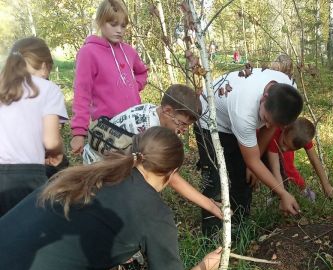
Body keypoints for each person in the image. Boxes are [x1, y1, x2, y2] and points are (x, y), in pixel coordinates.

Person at [0, 127, 222, 270]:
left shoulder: (87, 175)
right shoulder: (153, 212)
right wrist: (205, 267)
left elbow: (74, 249)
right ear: (172, 172)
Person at [84, 84, 222, 219]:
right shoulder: (149, 129)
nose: (183, 130)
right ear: (167, 111)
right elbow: (170, 176)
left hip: (107, 158)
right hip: (100, 168)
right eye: (182, 124)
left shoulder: (154, 110)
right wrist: (209, 205)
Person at [195, 68, 303, 236]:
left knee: (244, 177)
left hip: (236, 118)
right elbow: (252, 160)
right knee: (215, 180)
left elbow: (270, 127)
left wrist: (253, 164)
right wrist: (282, 192)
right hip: (210, 120)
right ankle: (212, 236)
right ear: (263, 98)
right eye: (265, 119)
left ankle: (239, 227)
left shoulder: (289, 90)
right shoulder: (244, 110)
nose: (266, 125)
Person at [0, 37, 68, 216]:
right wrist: (58, 155)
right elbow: (51, 141)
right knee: (27, 236)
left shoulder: (2, 88)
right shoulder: (48, 89)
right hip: (27, 176)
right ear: (45, 65)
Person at [70, 0, 148, 156]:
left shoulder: (129, 51)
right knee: (112, 173)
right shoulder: (89, 52)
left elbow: (142, 72)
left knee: (135, 167)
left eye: (123, 26)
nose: (119, 30)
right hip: (109, 127)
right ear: (100, 21)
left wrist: (135, 85)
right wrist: (79, 132)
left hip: (134, 123)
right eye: (113, 24)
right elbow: (82, 93)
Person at [267, 117, 333, 202]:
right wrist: (283, 196)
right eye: (284, 143)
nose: (284, 149)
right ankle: (278, 196)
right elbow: (276, 169)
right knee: (279, 170)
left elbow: (314, 158)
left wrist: (326, 185)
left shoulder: (301, 135)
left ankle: (304, 191)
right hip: (260, 147)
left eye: (291, 148)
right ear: (284, 128)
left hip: (277, 149)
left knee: (287, 168)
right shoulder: (275, 133)